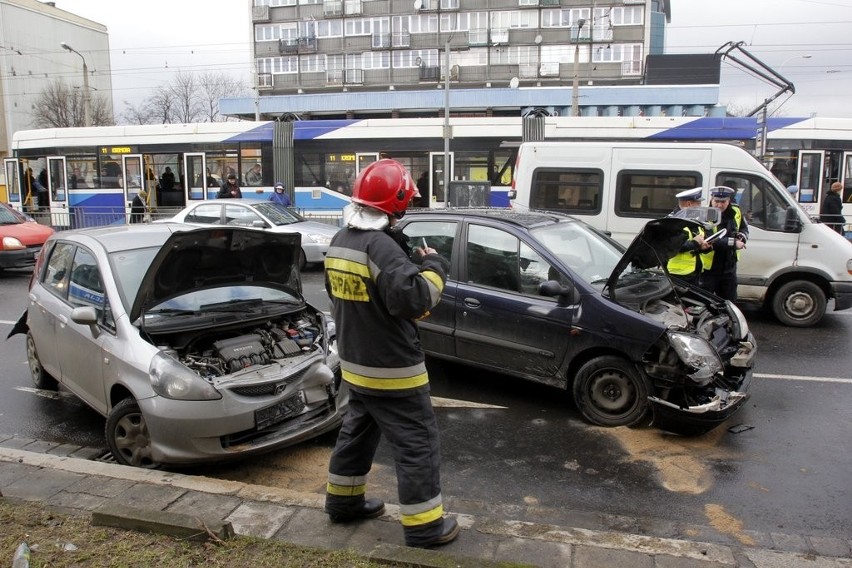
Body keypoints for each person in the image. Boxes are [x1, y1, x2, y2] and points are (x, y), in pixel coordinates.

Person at [323, 159, 458, 549]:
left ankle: (343, 503)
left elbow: (351, 298)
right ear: (395, 203)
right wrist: (433, 265)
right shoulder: (380, 246)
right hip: (393, 370)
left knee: (357, 435)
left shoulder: (341, 241)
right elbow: (416, 299)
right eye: (406, 202)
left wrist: (404, 267)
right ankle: (425, 527)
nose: (407, 209)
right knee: (417, 444)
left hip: (356, 365)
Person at [701, 186, 748, 301]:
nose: (719, 205)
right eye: (716, 201)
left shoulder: (736, 211)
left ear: (729, 201)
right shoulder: (705, 214)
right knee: (704, 304)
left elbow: (744, 228)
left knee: (729, 303)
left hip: (729, 267)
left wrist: (742, 236)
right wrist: (733, 243)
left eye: (723, 202)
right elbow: (710, 240)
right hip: (709, 269)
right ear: (711, 199)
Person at [667, 187, 710, 285]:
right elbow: (674, 246)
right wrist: (695, 243)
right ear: (689, 204)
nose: (700, 206)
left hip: (695, 272)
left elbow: (697, 243)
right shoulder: (672, 221)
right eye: (698, 204)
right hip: (678, 275)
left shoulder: (694, 219)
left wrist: (704, 247)